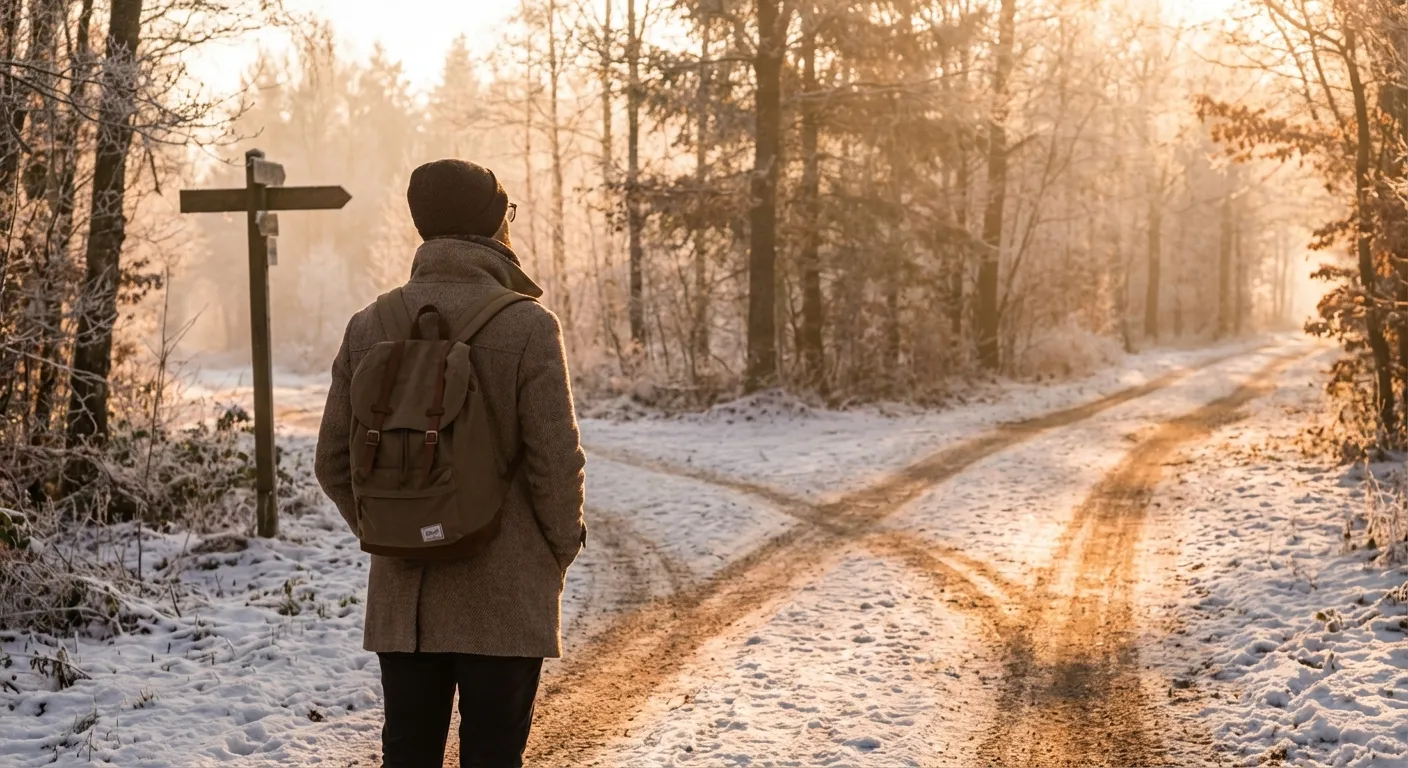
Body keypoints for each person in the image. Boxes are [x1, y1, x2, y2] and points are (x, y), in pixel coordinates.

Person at [315, 159, 587, 768]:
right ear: (494, 225)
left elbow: (333, 461)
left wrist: (395, 529)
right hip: (505, 592)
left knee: (407, 758)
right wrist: (555, 553)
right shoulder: (527, 326)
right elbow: (556, 464)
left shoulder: (369, 325)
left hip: (404, 602)